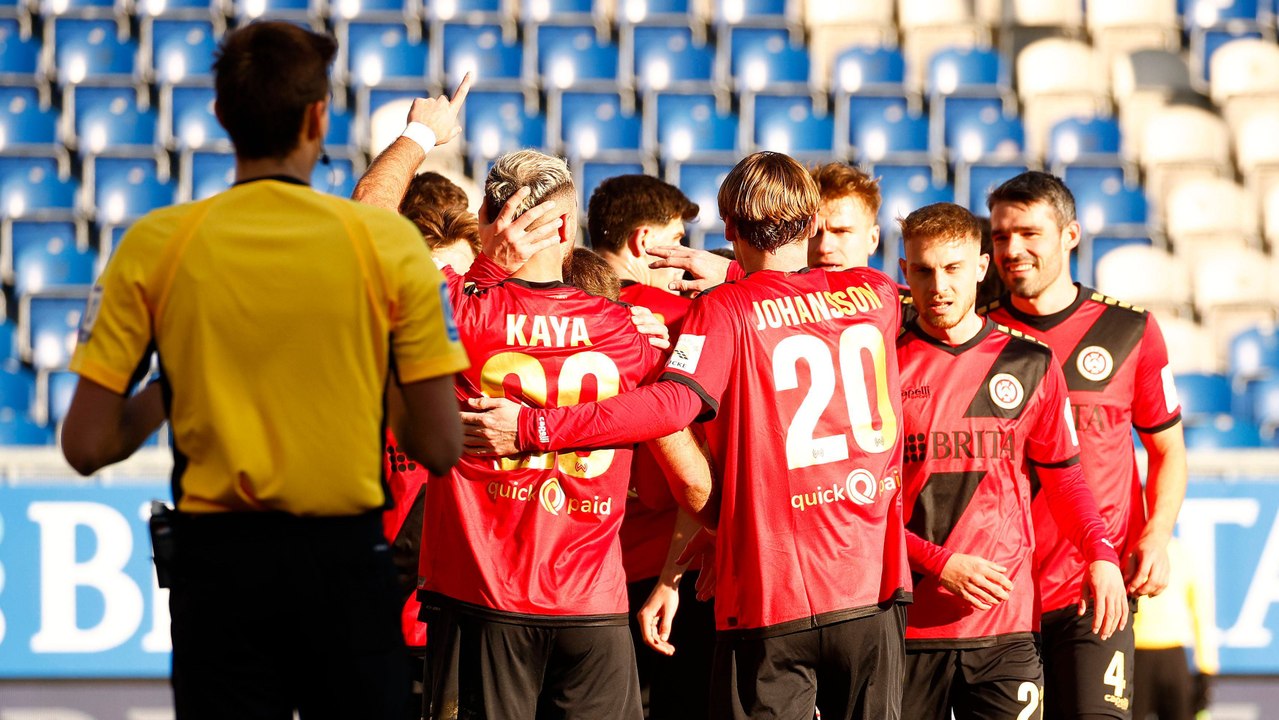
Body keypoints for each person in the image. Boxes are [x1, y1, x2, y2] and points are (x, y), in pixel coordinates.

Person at [60, 21, 471, 719]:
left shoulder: (154, 246)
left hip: (218, 573)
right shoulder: (387, 247)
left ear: (222, 115)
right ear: (318, 118)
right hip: (344, 564)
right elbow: (438, 444)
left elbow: (87, 444)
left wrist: (175, 384)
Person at [463, 151, 911, 719]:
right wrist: (736, 275)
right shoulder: (877, 293)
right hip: (872, 586)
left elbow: (673, 405)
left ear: (728, 229)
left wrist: (536, 426)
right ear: (815, 223)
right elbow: (809, 300)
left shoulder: (726, 309)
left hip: (773, 590)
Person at [409, 150, 704, 720]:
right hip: (593, 609)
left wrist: (421, 136)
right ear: (569, 228)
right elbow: (693, 480)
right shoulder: (629, 331)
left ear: (488, 223)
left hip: (483, 600)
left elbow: (366, 226)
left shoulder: (455, 312)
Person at [895, 202, 1127, 719]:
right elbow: (866, 505)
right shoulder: (883, 365)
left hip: (1006, 629)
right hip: (906, 625)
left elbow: (1066, 480)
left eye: (953, 268)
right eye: (924, 270)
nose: (939, 286)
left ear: (981, 268)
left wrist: (1101, 553)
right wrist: (940, 563)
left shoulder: (1029, 362)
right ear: (904, 270)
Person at [982, 171, 1188, 720]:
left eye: (1029, 233)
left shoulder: (1130, 331)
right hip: (1002, 598)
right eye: (1001, 236)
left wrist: (1157, 535)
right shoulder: (978, 335)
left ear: (1070, 234)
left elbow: (1168, 450)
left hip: (1096, 589)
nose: (1012, 249)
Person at [585, 173, 715, 720]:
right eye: (677, 240)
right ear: (643, 241)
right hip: (669, 569)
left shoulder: (545, 311)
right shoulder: (687, 319)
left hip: (571, 568)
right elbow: (704, 465)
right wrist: (673, 576)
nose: (684, 259)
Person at [1132, 535, 1219, 720]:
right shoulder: (1182, 553)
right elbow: (1201, 614)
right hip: (1147, 654)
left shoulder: (1180, 554)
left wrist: (1206, 668)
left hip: (1153, 654)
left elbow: (1201, 613)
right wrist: (1206, 668)